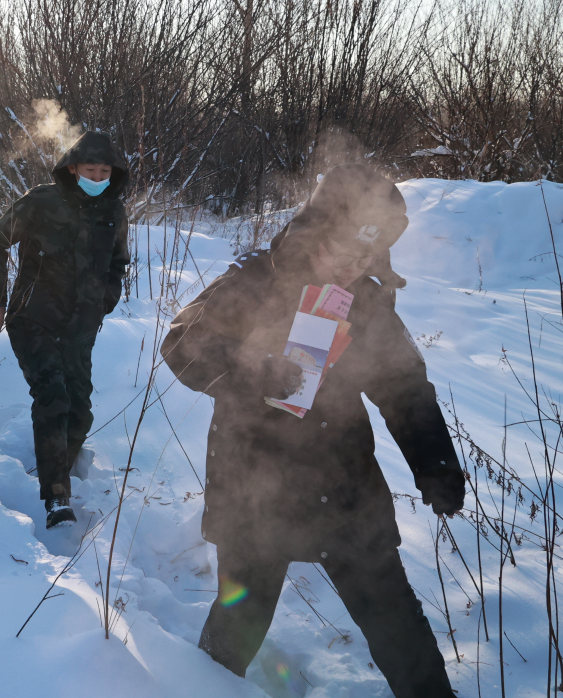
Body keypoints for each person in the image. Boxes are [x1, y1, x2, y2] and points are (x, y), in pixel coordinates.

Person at [160, 164, 464, 698]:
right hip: (255, 487)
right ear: (313, 233)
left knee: (396, 621)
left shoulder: (366, 303)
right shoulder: (252, 282)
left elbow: (406, 390)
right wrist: (258, 371)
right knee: (240, 617)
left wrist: (435, 461)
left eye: (366, 257)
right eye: (342, 251)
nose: (352, 267)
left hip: (344, 487)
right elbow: (182, 344)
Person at [0, 131, 129, 529]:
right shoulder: (41, 201)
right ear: (73, 168)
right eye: (90, 170)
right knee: (52, 397)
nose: (97, 177)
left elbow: (118, 263)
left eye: (104, 172)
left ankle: (56, 461)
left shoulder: (114, 210)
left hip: (81, 326)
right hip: (33, 318)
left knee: (79, 411)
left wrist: (104, 302)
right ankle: (56, 496)